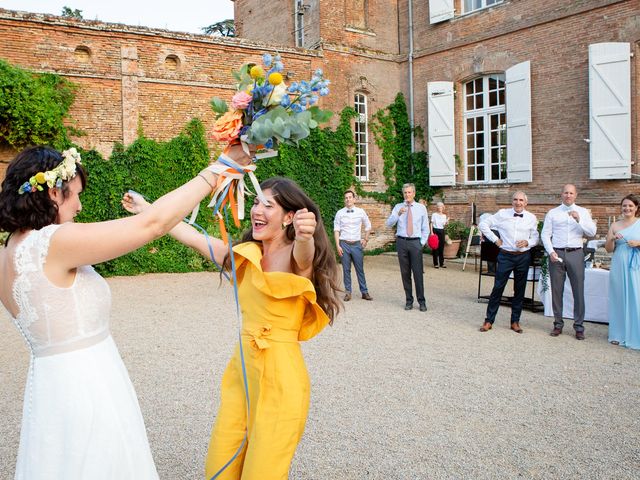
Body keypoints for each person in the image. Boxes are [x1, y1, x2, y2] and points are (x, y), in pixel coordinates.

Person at [0, 145, 246, 478]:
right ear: (55, 193)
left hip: (51, 385)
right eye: (76, 195)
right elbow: (152, 226)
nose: (80, 205)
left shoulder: (11, 249)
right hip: (86, 386)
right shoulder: (53, 243)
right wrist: (220, 168)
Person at [122, 176, 341, 480]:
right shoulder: (244, 256)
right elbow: (193, 238)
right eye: (255, 202)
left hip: (282, 378)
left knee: (262, 472)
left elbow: (305, 257)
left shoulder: (296, 256)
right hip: (242, 371)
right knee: (220, 464)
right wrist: (148, 209)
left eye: (269, 205)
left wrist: (305, 236)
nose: (257, 210)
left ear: (289, 217)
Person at [541, 184, 597, 340]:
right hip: (557, 253)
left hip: (576, 253)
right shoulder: (553, 213)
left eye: (571, 193)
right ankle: (558, 324)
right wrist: (550, 251)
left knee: (578, 290)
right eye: (566, 192)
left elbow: (592, 232)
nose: (568, 195)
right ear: (562, 194)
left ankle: (579, 326)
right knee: (557, 290)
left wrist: (579, 220)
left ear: (576, 195)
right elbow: (545, 234)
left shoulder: (583, 212)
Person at [478, 191, 539, 334]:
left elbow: (535, 237)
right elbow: (483, 224)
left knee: (519, 289)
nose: (518, 203)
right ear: (512, 201)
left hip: (523, 256)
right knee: (498, 287)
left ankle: (515, 321)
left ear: (526, 203)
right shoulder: (502, 214)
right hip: (505, 255)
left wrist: (528, 242)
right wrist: (495, 240)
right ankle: (489, 320)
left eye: (521, 200)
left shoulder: (531, 217)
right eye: (515, 200)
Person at [386, 183, 429, 312]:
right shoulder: (398, 207)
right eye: (405, 193)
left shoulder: (421, 208)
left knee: (417, 273)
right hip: (402, 242)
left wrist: (421, 243)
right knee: (405, 273)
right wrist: (397, 214)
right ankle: (408, 301)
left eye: (409, 192)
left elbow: (425, 228)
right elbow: (389, 223)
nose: (407, 195)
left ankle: (421, 301)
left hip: (415, 242)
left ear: (414, 194)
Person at [605, 194, 640, 349]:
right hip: (619, 263)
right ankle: (617, 333)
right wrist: (612, 239)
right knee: (618, 297)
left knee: (635, 297)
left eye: (630, 206)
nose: (627, 208)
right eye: (624, 205)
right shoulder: (615, 225)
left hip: (635, 265)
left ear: (636, 208)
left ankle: (635, 333)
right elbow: (608, 249)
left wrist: (638, 243)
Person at [333, 189, 373, 301]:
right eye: (346, 198)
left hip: (356, 245)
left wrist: (365, 239)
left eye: (350, 197)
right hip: (344, 244)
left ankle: (364, 292)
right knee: (346, 269)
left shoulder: (360, 212)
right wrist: (338, 246)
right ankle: (348, 292)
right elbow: (336, 230)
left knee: (360, 269)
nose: (348, 199)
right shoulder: (339, 213)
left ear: (354, 199)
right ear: (344, 200)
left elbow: (368, 226)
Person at [430, 201, 448, 269]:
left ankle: (442, 263)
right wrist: (431, 232)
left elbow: (443, 225)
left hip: (441, 231)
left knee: (441, 247)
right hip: (435, 230)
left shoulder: (444, 216)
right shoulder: (434, 214)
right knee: (435, 247)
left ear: (443, 207)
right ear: (437, 207)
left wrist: (446, 223)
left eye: (440, 206)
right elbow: (431, 223)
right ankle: (435, 263)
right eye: (438, 206)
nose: (439, 207)